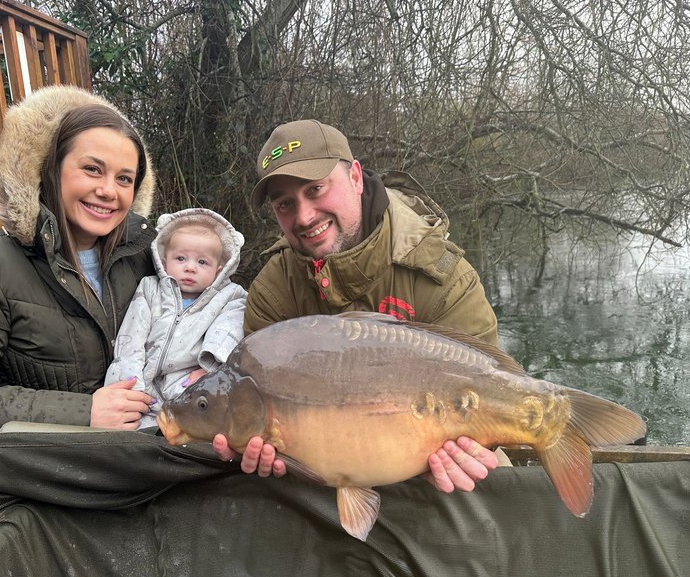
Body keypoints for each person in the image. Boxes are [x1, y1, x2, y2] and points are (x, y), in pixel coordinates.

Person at [214, 119, 503, 492]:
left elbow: (493, 393)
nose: (304, 217)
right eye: (286, 204)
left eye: (316, 189)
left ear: (355, 177)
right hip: (318, 480)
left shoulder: (442, 276)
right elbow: (255, 414)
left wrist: (471, 448)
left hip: (441, 476)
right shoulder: (273, 290)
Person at [0, 86, 160, 432]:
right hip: (41, 473)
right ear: (50, 169)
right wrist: (84, 412)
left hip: (141, 457)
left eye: (124, 179)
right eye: (91, 169)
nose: (108, 191)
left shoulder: (147, 257)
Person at [104, 208, 247, 430]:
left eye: (202, 262)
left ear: (220, 270)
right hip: (146, 388)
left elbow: (228, 333)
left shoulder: (229, 298)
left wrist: (211, 370)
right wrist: (130, 385)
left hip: (191, 385)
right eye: (181, 258)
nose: (190, 267)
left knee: (202, 425)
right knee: (131, 432)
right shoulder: (150, 289)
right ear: (164, 260)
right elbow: (132, 336)